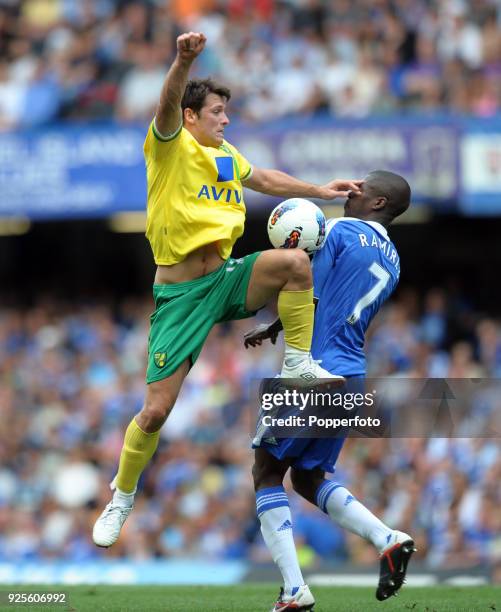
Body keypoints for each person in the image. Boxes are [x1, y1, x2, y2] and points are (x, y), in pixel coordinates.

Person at [92, 31, 360, 548]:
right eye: (217, 110)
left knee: (293, 263)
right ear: (193, 116)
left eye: (225, 111)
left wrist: (320, 190)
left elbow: (263, 179)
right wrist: (182, 61)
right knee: (155, 412)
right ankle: (122, 495)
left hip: (225, 277)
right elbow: (168, 103)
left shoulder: (226, 156)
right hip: (181, 297)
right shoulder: (170, 144)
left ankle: (298, 363)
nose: (225, 118)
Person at [244, 171, 415, 611]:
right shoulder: (394, 260)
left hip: (314, 373)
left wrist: (274, 319)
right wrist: (278, 327)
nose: (352, 191)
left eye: (363, 188)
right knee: (307, 477)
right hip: (351, 374)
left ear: (378, 203)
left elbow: (306, 287)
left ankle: (294, 589)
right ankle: (387, 537)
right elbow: (331, 297)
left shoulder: (337, 230)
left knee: (265, 471)